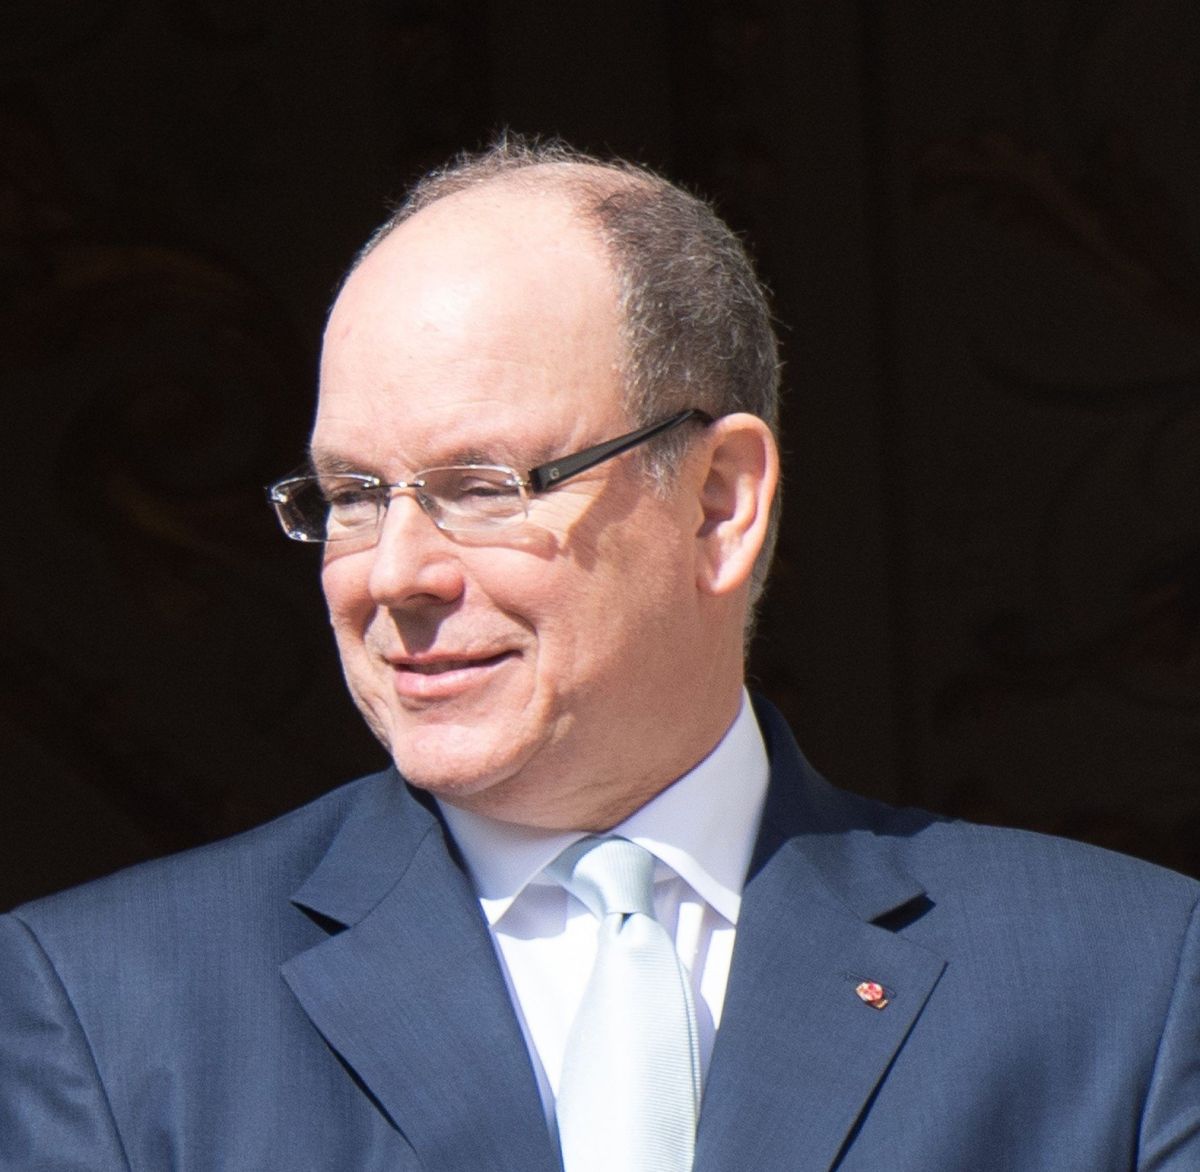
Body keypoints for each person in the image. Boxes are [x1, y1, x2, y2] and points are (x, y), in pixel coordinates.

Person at [1, 137, 1197, 1172]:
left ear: (719, 502)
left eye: (482, 485)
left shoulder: (1122, 982)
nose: (393, 572)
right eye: (353, 495)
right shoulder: (112, 1007)